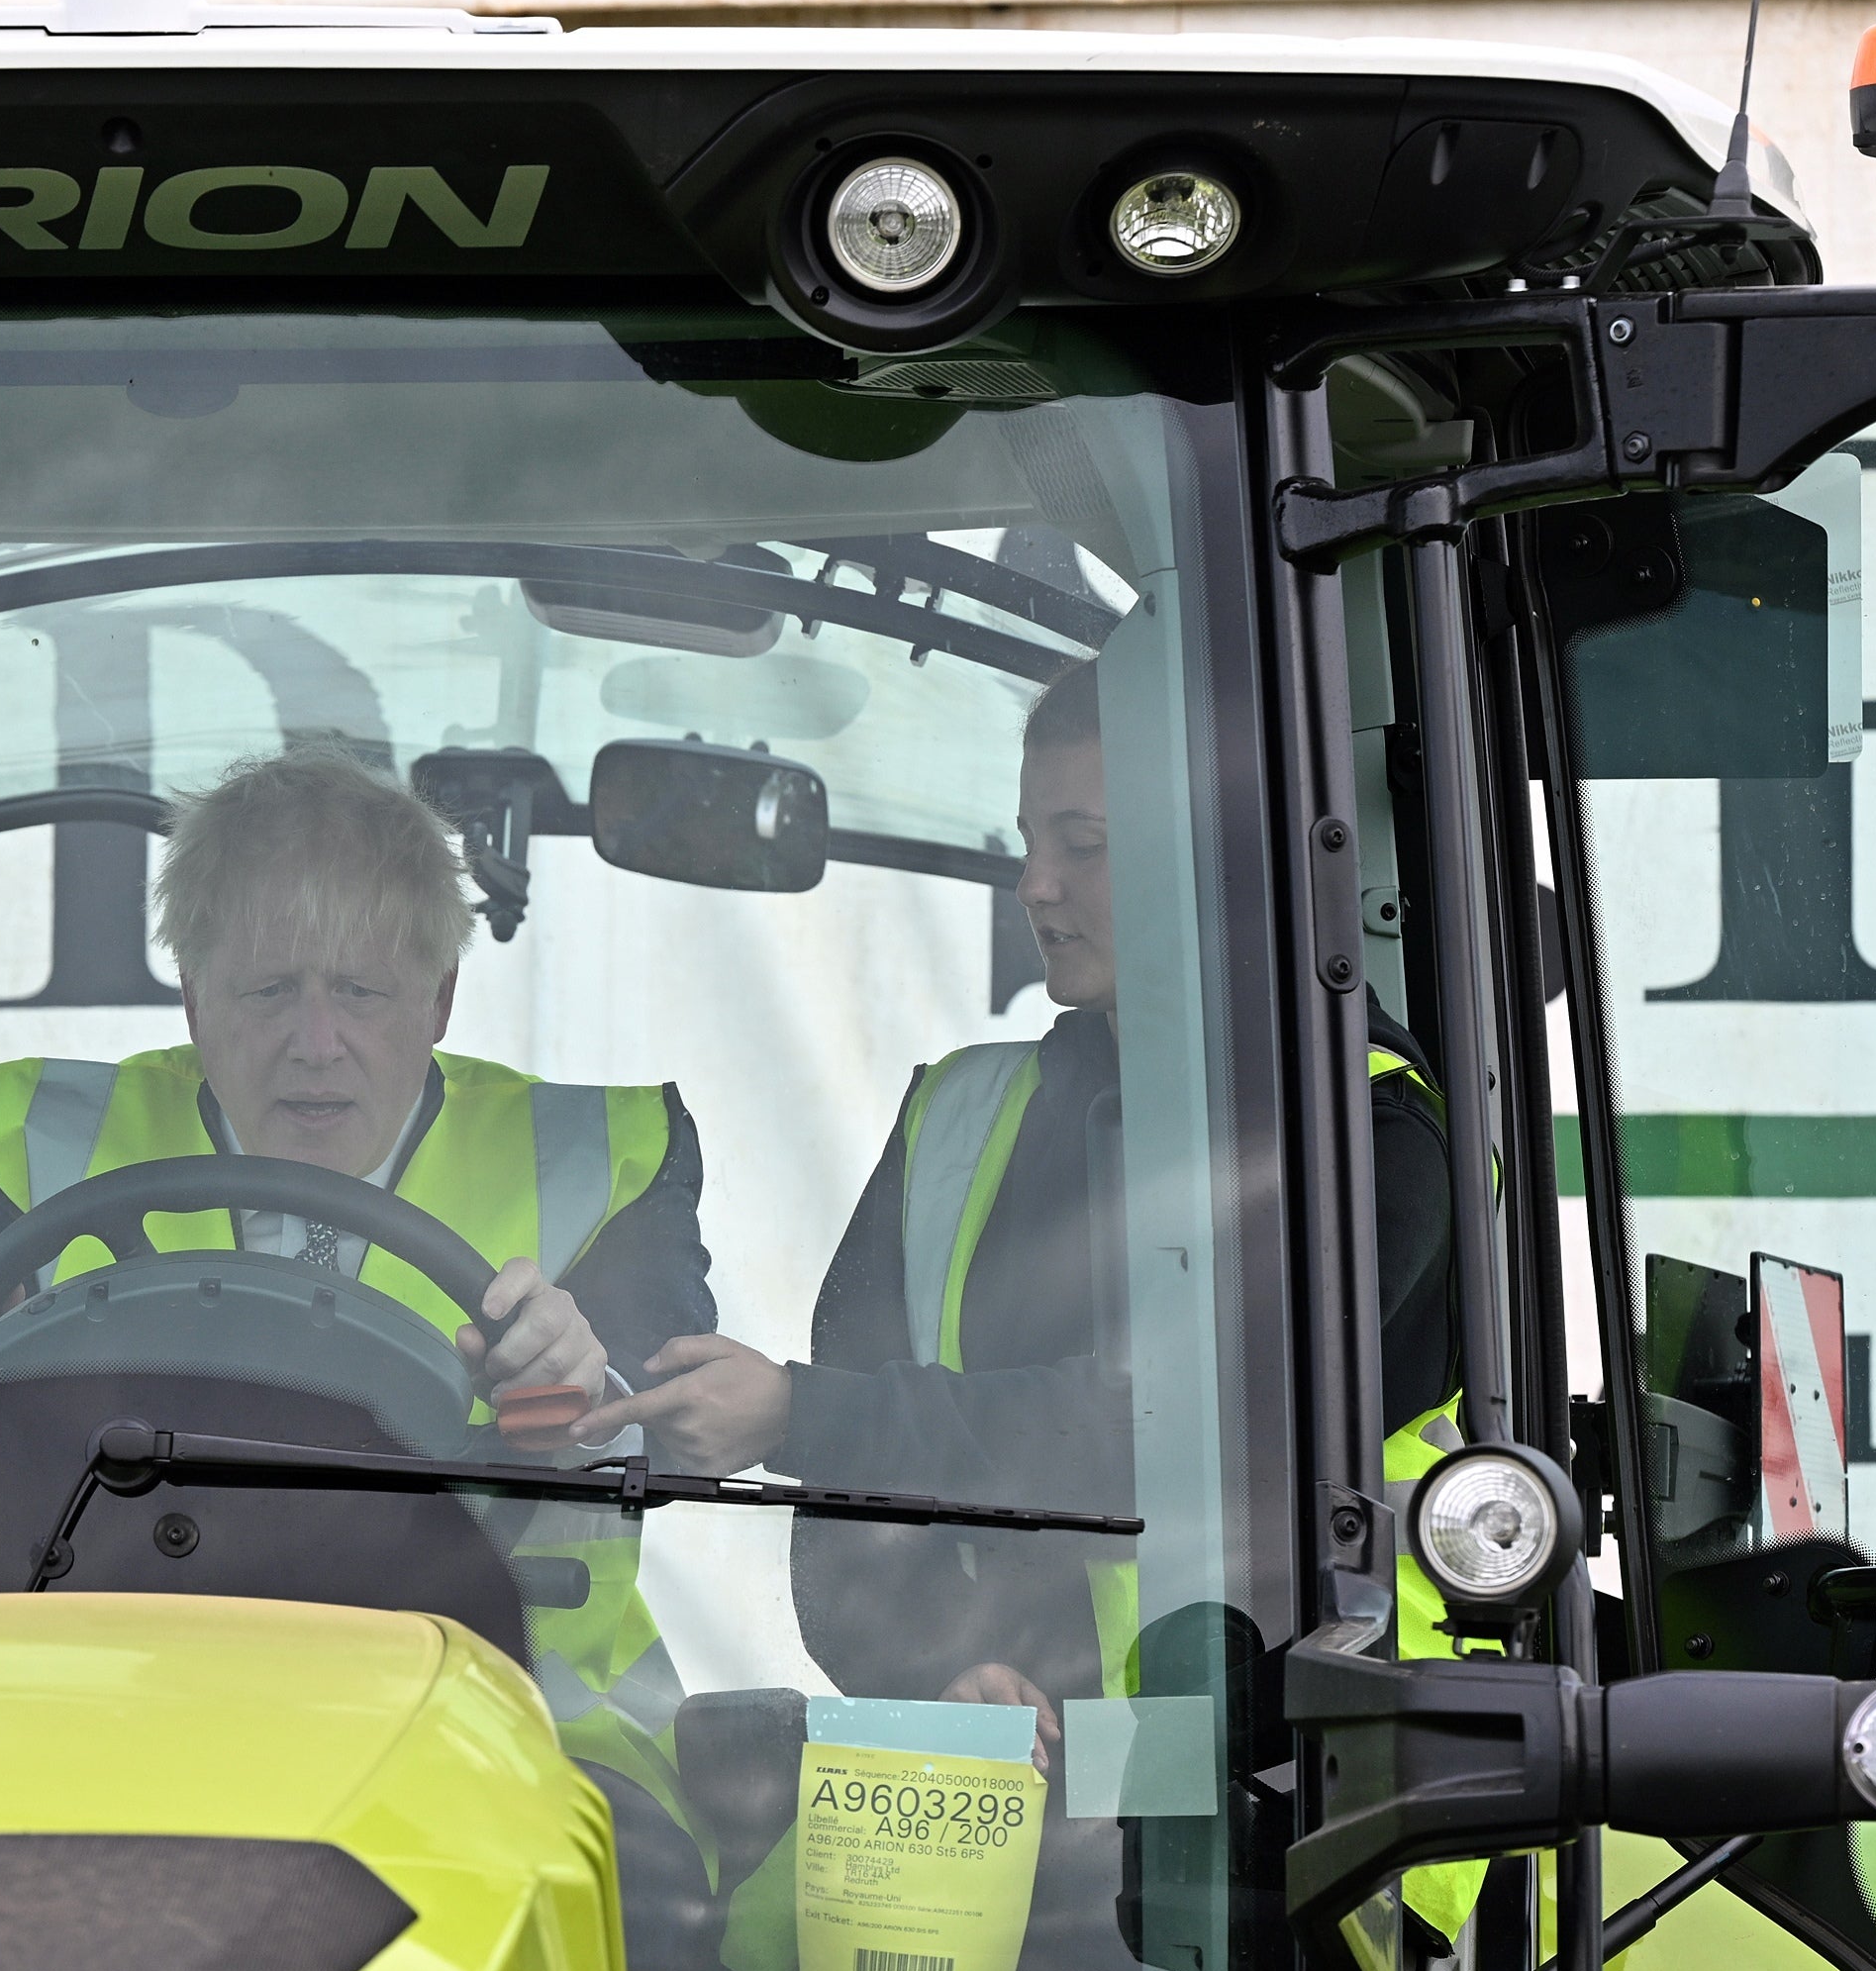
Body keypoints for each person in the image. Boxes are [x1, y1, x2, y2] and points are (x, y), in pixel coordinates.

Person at [579, 656, 1466, 1725]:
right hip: (1026, 1794)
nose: (1033, 884)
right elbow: (851, 1504)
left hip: (1310, 1781)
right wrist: (933, 1675)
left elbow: (1181, 1428)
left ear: (1223, 857)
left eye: (1081, 847)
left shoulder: (1373, 1132)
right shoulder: (958, 1111)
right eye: (1029, 841)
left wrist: (796, 1409)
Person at [0, 743, 720, 1807]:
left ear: (438, 1001)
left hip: (519, 1717)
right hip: (105, 1702)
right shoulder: (33, 1144)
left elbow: (669, 1431)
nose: (316, 1042)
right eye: (268, 990)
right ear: (195, 1000)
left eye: (359, 990)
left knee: (640, 1917)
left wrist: (577, 1392)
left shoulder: (596, 1158)